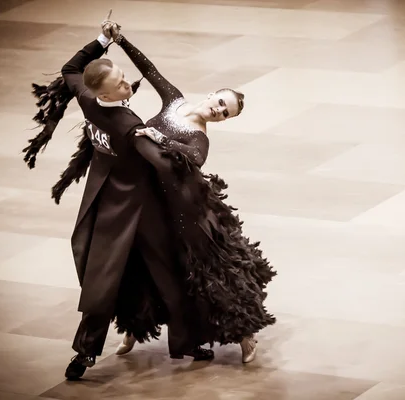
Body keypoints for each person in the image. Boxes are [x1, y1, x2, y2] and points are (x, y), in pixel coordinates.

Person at [23, 15, 213, 381]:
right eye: (121, 85)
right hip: (139, 206)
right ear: (105, 95)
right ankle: (102, 350)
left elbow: (70, 68)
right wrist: (177, 143)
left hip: (106, 198)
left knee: (103, 277)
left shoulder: (87, 98)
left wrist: (102, 40)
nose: (129, 84)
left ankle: (88, 354)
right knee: (163, 268)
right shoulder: (129, 129)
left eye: (124, 77)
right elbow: (164, 163)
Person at [107, 29, 277, 363]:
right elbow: (150, 69)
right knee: (145, 263)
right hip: (152, 199)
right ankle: (134, 329)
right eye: (220, 102)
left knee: (211, 271)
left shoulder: (201, 138)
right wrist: (120, 40)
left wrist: (159, 137)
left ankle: (245, 335)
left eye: (225, 113)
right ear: (213, 93)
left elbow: (194, 158)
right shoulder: (174, 100)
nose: (218, 110)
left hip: (186, 208)